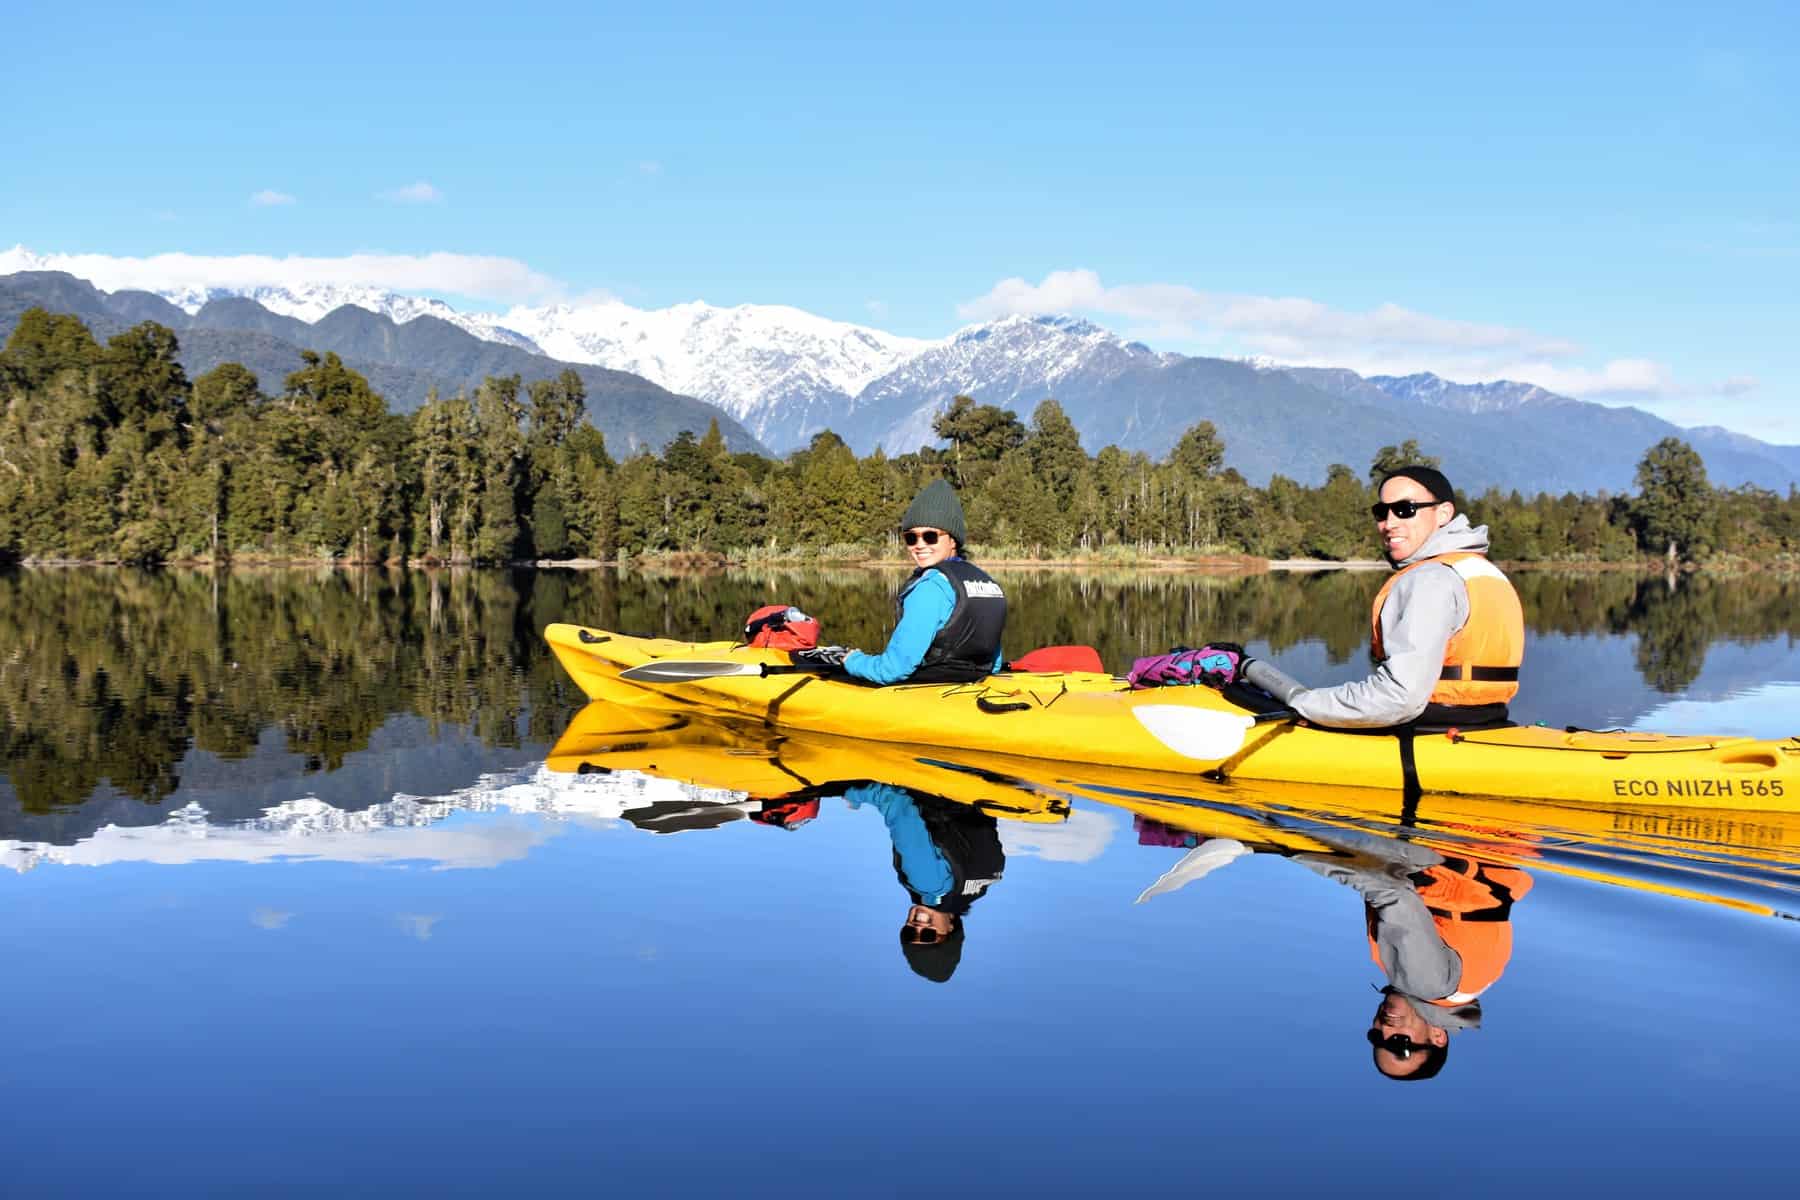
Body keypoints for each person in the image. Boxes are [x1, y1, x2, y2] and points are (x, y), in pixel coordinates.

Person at [1240, 465, 1524, 729]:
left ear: (1443, 513)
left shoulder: (1432, 579)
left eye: (1405, 509)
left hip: (1427, 726)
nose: (1389, 523)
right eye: (1382, 512)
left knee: (1253, 697)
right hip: (1487, 720)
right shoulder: (1481, 570)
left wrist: (1306, 704)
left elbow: (1400, 697)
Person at [793, 479, 1006, 684]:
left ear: (953, 539)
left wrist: (850, 659)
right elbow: (993, 663)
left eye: (930, 536)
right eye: (911, 537)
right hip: (975, 682)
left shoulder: (931, 588)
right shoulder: (989, 584)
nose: (919, 545)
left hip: (931, 688)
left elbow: (892, 670)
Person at [844, 781, 1006, 983]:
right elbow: (897, 804)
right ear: (951, 929)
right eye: (929, 936)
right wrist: (853, 794)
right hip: (938, 781)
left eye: (909, 932)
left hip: (978, 786)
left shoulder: (982, 885)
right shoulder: (927, 885)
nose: (918, 925)